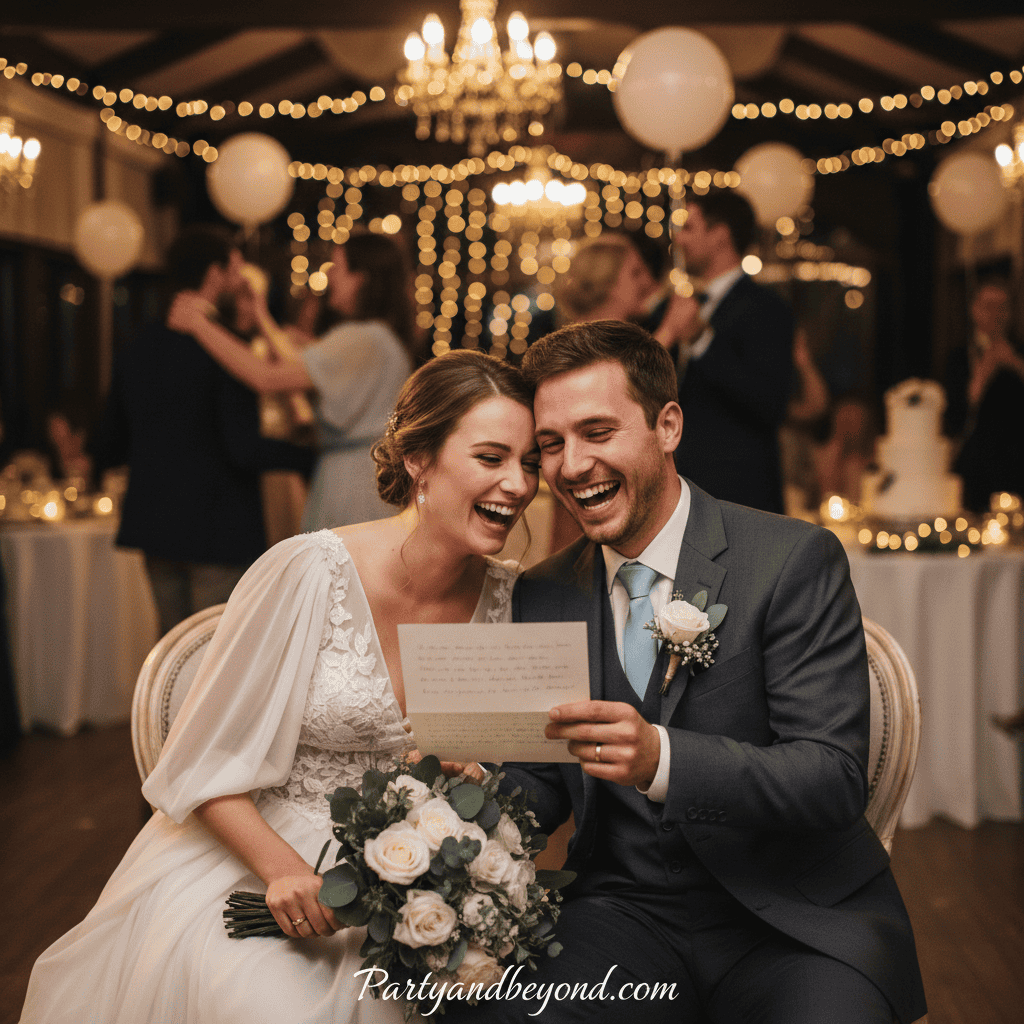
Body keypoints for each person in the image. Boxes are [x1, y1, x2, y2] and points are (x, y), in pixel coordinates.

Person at [18, 350, 540, 1024]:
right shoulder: (307, 572)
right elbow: (201, 760)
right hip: (261, 858)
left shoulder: (515, 599)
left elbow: (506, 761)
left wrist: (473, 777)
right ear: (419, 458)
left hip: (427, 883)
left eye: (529, 462)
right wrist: (285, 871)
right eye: (492, 457)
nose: (518, 484)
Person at [446, 320, 927, 1023]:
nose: (573, 466)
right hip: (622, 917)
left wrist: (660, 758)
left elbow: (831, 778)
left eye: (598, 432)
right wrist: (479, 788)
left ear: (667, 425)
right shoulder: (542, 592)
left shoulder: (791, 560)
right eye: (552, 444)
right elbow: (543, 779)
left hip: (794, 924)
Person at [91, 225, 315, 638]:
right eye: (234, 271)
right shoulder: (226, 350)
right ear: (214, 275)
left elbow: (111, 442)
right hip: (217, 527)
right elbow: (242, 449)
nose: (240, 282)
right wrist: (312, 455)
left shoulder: (138, 346)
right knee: (216, 657)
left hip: (155, 525)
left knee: (174, 653)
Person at [169, 232, 416, 533]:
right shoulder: (379, 338)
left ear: (360, 279)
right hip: (367, 475)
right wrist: (261, 314)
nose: (330, 277)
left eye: (337, 268)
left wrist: (199, 325)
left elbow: (267, 378)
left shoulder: (362, 339)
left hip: (352, 484)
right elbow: (295, 363)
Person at [656, 190, 795, 514]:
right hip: (682, 491)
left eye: (689, 227)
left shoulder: (765, 307)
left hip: (739, 495)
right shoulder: (676, 306)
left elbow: (769, 402)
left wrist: (701, 340)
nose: (678, 237)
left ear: (720, 236)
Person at [943, 278, 1024, 513]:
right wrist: (984, 372)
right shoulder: (959, 357)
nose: (995, 314)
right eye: (988, 306)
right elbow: (957, 412)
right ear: (974, 310)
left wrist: (1014, 364)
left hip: (1016, 460)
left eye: (1002, 307)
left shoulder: (1019, 351)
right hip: (975, 463)